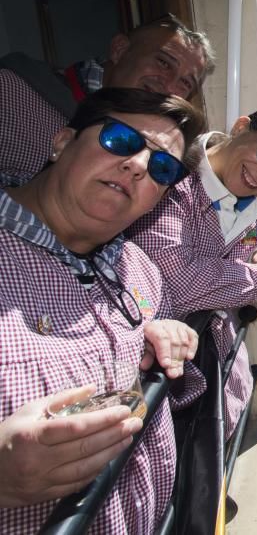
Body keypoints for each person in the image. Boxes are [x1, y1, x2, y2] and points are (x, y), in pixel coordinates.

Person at [0, 88, 204, 531]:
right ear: (62, 141)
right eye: (120, 140)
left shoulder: (140, 271)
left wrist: (167, 332)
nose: (138, 165)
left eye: (162, 168)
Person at [130, 105, 257, 437]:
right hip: (152, 381)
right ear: (241, 126)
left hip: (222, 381)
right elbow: (180, 283)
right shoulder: (172, 175)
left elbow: (245, 244)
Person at [0, 14, 214, 181]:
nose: (169, 86)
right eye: (163, 63)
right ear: (119, 49)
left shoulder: (160, 157)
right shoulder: (12, 94)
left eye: (185, 83)